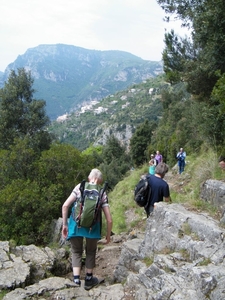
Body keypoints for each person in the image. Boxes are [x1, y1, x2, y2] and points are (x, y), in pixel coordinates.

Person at [62, 168, 113, 290]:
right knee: (90, 251)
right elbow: (109, 219)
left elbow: (65, 205)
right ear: (100, 181)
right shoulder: (102, 192)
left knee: (76, 251)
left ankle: (76, 280)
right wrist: (108, 236)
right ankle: (89, 279)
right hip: (93, 227)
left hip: (76, 225)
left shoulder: (80, 187)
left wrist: (64, 225)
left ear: (90, 177)